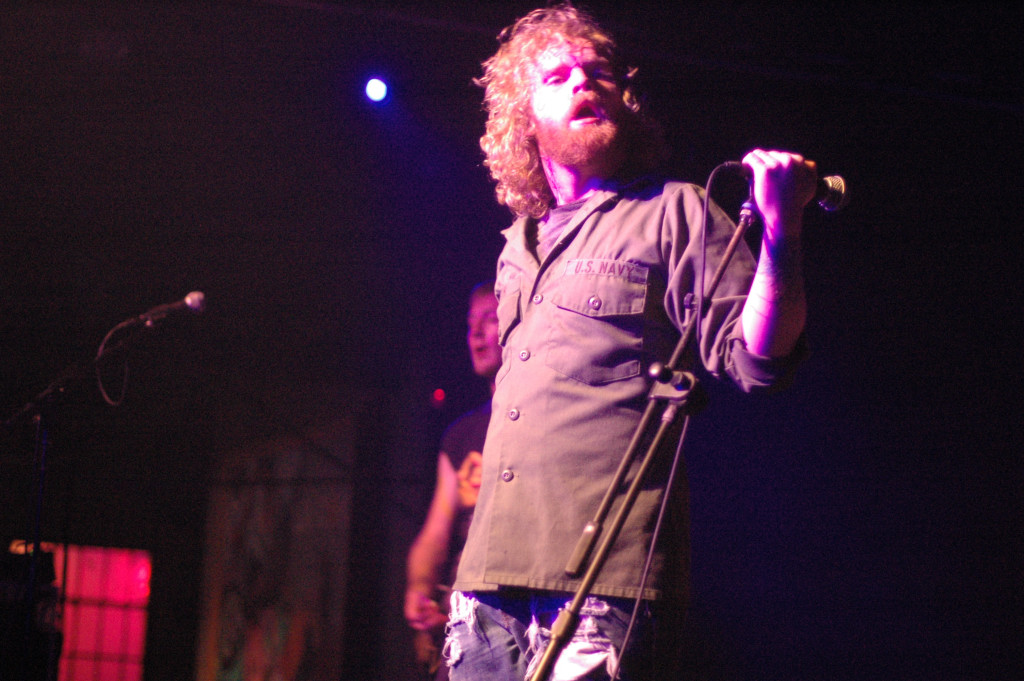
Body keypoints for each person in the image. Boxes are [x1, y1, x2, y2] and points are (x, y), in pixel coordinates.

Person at [445, 4, 817, 681]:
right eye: (558, 77)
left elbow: (759, 357)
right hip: (488, 583)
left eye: (599, 73)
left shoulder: (674, 210)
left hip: (603, 584)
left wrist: (782, 230)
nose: (584, 83)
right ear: (525, 118)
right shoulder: (515, 246)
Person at [405, 281, 502, 680]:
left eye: (490, 319)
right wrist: (420, 587)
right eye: (470, 323)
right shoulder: (462, 435)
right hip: (465, 623)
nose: (475, 333)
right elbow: (435, 533)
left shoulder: (542, 422)